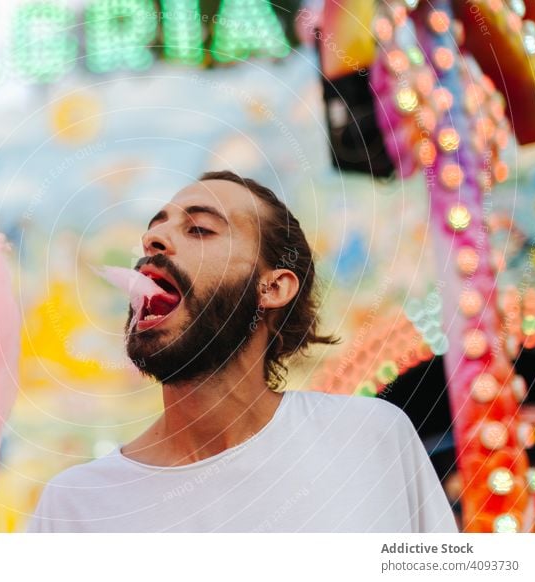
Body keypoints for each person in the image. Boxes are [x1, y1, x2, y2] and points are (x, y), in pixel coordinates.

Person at [27, 171, 458, 533]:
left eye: (199, 229)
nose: (154, 239)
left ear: (272, 287)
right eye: (153, 231)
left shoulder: (370, 440)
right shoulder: (74, 508)